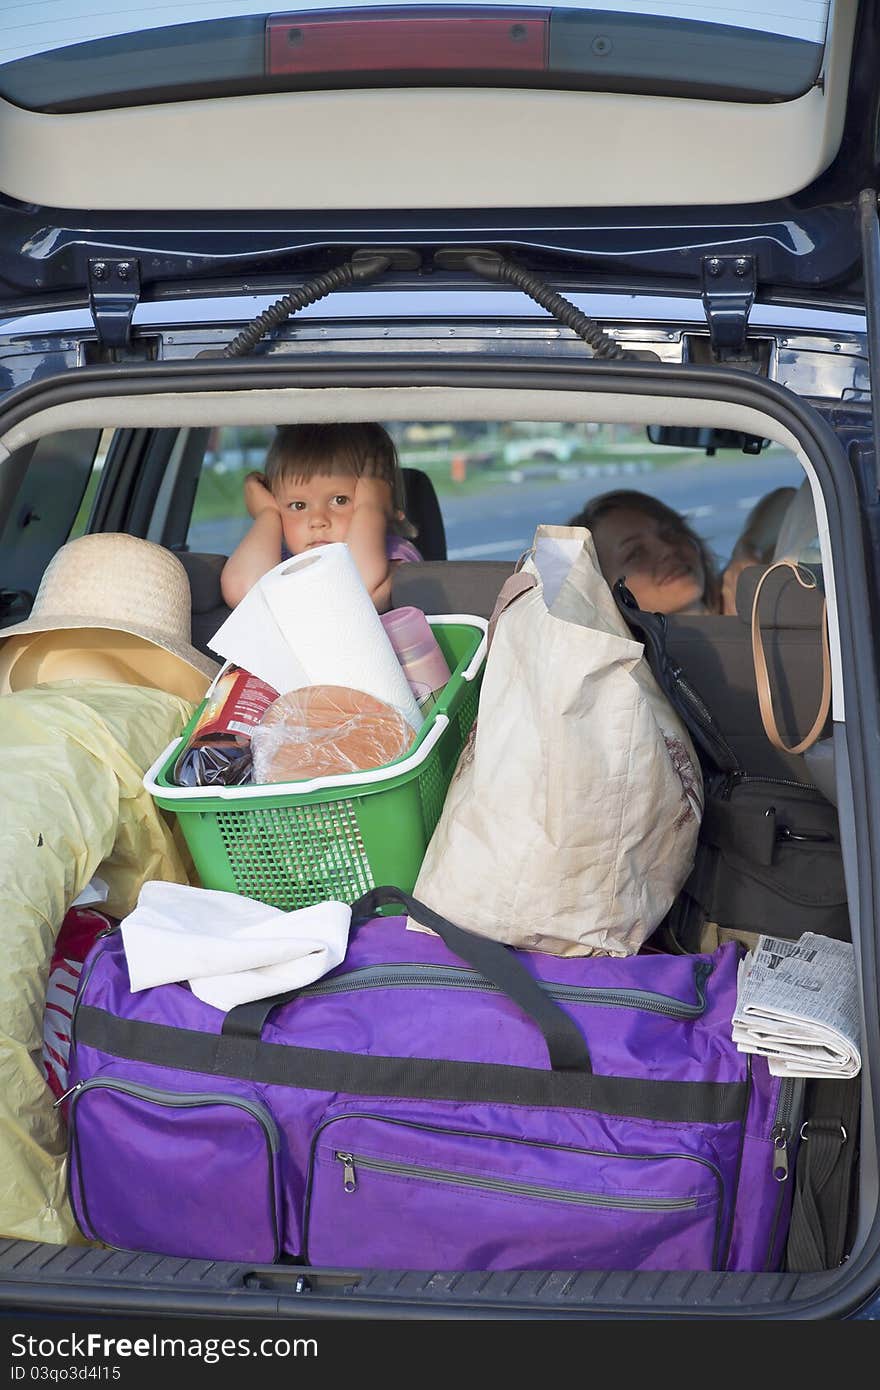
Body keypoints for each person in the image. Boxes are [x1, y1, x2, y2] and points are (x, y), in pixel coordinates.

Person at [220, 422, 421, 613]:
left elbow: (352, 591)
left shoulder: (395, 557)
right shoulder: (278, 561)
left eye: (340, 500)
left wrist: (370, 507)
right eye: (298, 505)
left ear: (383, 504)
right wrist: (267, 514)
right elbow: (243, 592)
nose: (318, 520)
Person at [568, 489, 723, 615]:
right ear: (602, 593)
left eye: (671, 532)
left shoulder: (744, 609)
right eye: (635, 553)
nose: (668, 549)